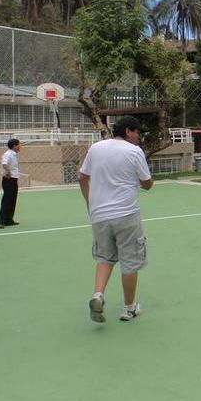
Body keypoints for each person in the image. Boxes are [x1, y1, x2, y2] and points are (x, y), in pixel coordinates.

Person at [80, 116, 153, 324]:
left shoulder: (96, 148)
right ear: (128, 131)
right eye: (138, 132)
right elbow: (147, 184)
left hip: (99, 215)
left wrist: (90, 204)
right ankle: (129, 308)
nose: (139, 136)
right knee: (130, 260)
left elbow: (82, 177)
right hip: (126, 214)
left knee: (104, 257)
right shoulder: (134, 151)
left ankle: (98, 295)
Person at [0, 139, 21, 229]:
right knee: (6, 201)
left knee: (12, 200)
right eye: (19, 145)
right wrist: (8, 172)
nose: (20, 147)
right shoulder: (8, 154)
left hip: (14, 180)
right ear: (14, 146)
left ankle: (9, 220)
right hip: (8, 180)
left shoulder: (14, 154)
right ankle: (1, 222)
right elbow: (4, 164)